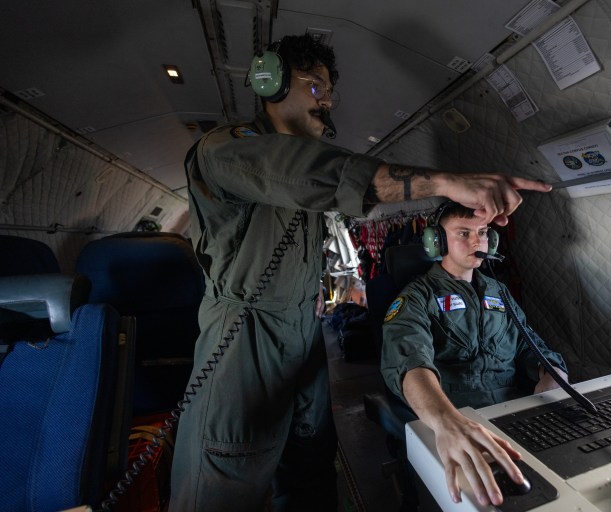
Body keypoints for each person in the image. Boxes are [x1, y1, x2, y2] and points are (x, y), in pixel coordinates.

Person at [169, 34, 553, 512]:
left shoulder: (492, 289)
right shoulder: (226, 149)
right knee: (224, 479)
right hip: (243, 340)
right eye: (314, 85)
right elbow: (301, 171)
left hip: (303, 339)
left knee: (310, 469)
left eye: (328, 89)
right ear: (270, 81)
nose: (327, 99)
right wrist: (444, 180)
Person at [380, 201, 568, 508]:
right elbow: (411, 364)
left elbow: (531, 346)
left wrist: (552, 376)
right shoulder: (417, 298)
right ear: (436, 241)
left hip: (515, 415)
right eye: (463, 233)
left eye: (482, 232)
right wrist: (446, 422)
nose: (476, 241)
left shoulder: (498, 292)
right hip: (457, 421)